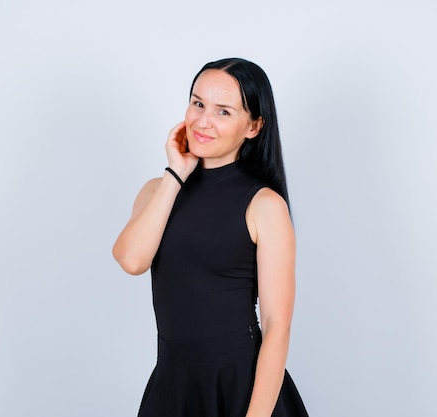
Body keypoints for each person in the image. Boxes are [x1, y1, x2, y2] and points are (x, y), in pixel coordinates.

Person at [113, 58, 308, 417]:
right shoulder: (158, 190)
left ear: (253, 127)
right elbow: (131, 260)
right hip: (172, 384)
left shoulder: (264, 205)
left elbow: (277, 326)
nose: (203, 121)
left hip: (240, 387)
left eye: (223, 112)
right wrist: (176, 173)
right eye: (198, 103)